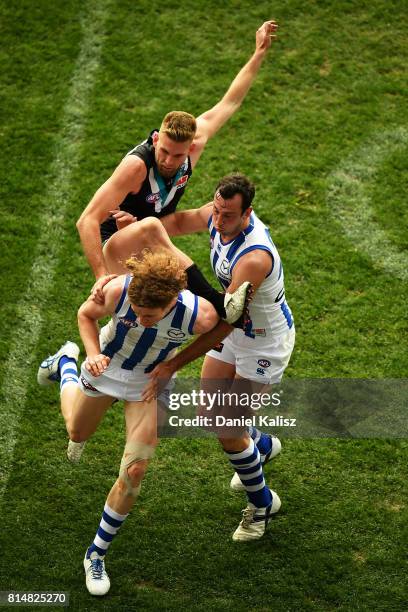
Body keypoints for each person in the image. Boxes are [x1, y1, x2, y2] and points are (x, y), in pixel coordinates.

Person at [37, 250, 220, 596]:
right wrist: (90, 354)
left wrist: (173, 365)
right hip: (107, 367)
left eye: (149, 316)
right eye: (136, 313)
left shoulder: (200, 315)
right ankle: (66, 365)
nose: (141, 318)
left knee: (134, 471)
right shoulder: (120, 291)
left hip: (149, 384)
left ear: (170, 303)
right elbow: (85, 315)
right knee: (77, 433)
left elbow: (223, 329)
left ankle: (96, 552)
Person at [137, 174, 295, 542]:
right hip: (237, 327)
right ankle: (264, 446)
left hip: (262, 343)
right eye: (217, 210)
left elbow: (225, 321)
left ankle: (262, 507)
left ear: (247, 213)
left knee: (228, 429)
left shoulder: (253, 258)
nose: (218, 220)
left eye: (228, 215)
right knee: (211, 414)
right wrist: (141, 226)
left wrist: (173, 364)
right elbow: (176, 222)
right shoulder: (217, 212)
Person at [76, 21, 278, 305]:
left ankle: (216, 306)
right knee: (149, 231)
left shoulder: (196, 142)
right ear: (157, 139)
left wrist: (258, 53)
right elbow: (87, 220)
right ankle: (220, 302)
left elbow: (230, 102)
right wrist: (100, 274)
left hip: (153, 230)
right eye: (165, 151)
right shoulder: (136, 167)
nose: (169, 161)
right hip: (117, 244)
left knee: (209, 212)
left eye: (178, 155)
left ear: (191, 146)